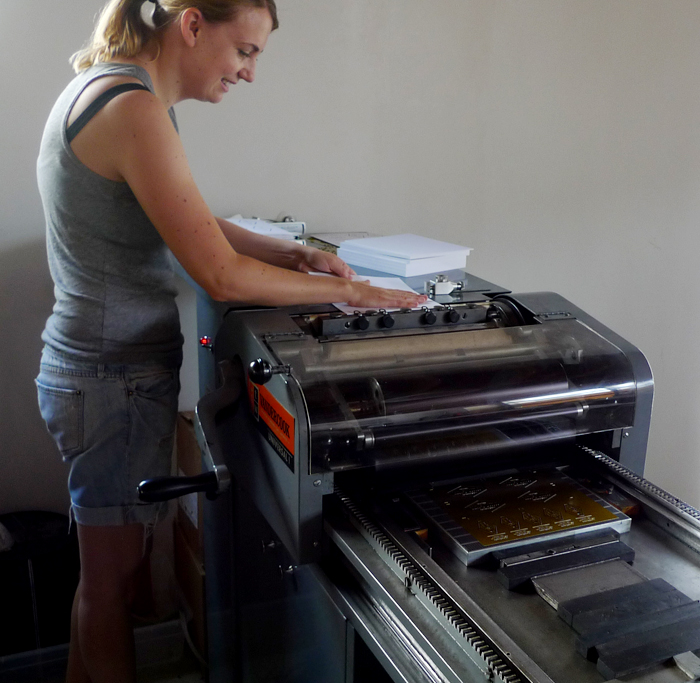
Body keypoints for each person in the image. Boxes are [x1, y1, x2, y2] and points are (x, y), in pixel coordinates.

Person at [35, 1, 426, 681]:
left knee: (102, 585)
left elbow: (187, 218)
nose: (248, 72)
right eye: (245, 51)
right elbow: (217, 271)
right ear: (192, 25)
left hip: (101, 372)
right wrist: (357, 295)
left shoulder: (122, 90)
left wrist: (295, 253)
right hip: (109, 380)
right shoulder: (133, 107)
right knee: (109, 587)